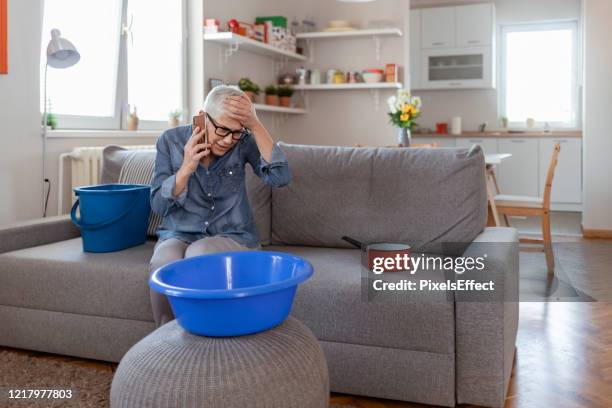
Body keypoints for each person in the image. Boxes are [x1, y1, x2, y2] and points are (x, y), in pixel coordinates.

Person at [148, 85, 291, 327]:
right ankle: (167, 340)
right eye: (223, 129)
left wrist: (254, 125)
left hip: (232, 236)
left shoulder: (243, 142)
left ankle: (206, 336)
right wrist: (185, 171)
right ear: (202, 117)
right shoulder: (170, 141)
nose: (228, 140)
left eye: (236, 132)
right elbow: (157, 206)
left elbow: (280, 178)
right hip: (179, 232)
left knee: (200, 253)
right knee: (164, 263)